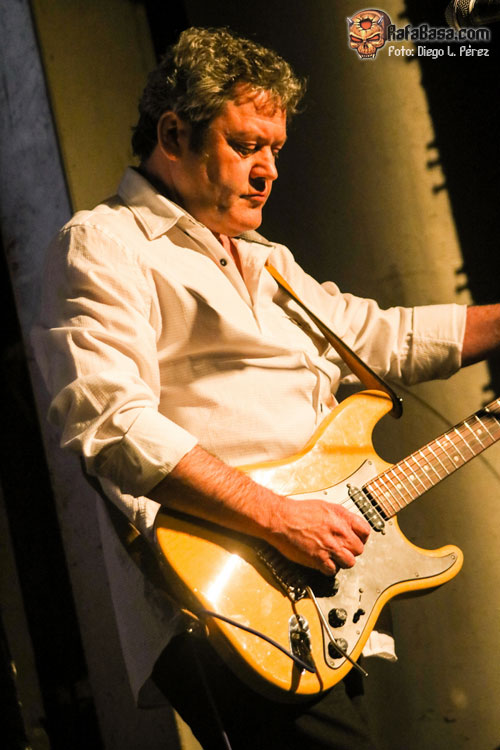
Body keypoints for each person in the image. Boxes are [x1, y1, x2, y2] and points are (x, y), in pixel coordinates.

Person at [32, 26, 500, 750]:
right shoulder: (106, 242)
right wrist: (280, 519)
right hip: (226, 595)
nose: (268, 171)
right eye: (247, 145)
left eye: (275, 150)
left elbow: (380, 337)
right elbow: (112, 423)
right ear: (174, 134)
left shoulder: (268, 258)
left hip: (316, 591)